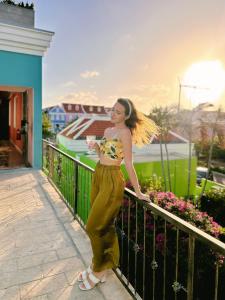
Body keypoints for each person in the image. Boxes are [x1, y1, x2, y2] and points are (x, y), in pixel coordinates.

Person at [78, 98, 159, 291]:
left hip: (113, 180)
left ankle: (98, 270)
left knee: (92, 227)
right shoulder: (107, 131)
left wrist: (138, 191)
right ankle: (100, 265)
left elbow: (128, 163)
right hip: (99, 173)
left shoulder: (125, 133)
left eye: (118, 112)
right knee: (102, 225)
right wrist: (97, 148)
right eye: (112, 110)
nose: (112, 113)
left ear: (126, 116)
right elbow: (103, 156)